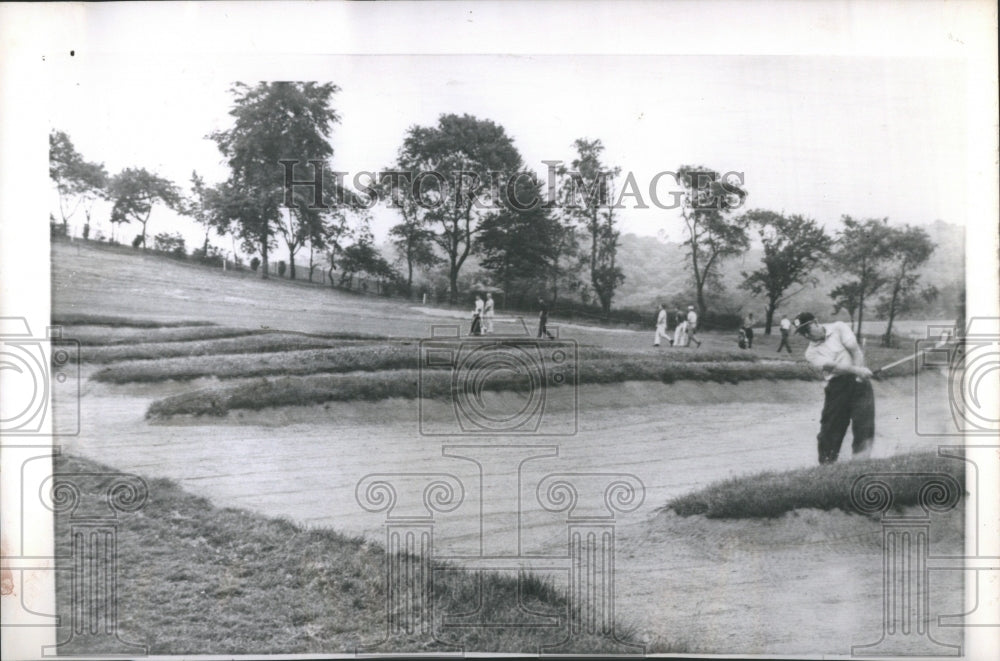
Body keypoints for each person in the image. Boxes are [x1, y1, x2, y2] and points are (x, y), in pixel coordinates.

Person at [794, 312, 875, 465]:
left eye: (807, 329)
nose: (806, 335)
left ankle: (860, 464)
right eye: (802, 333)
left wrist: (859, 374)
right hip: (837, 387)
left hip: (860, 382)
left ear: (816, 322)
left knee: (864, 424)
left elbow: (855, 351)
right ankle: (827, 466)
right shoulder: (810, 353)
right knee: (830, 429)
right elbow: (834, 367)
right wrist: (857, 371)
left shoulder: (839, 327)